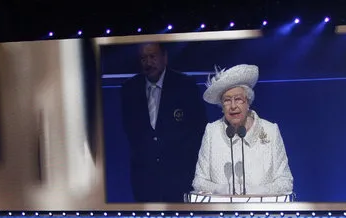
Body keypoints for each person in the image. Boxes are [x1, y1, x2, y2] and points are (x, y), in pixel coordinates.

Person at [121, 42, 207, 202]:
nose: (148, 63)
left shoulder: (185, 86)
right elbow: (129, 130)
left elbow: (199, 128)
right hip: (144, 179)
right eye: (143, 58)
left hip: (180, 176)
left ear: (164, 57)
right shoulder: (129, 89)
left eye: (152, 56)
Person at [192, 64, 293, 195]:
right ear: (221, 106)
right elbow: (199, 181)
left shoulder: (270, 131)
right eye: (227, 101)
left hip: (261, 213)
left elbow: (286, 182)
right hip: (222, 213)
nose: (233, 106)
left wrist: (256, 192)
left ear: (248, 101)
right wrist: (221, 190)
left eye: (238, 99)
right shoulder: (212, 132)